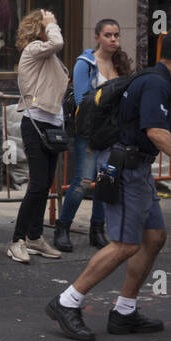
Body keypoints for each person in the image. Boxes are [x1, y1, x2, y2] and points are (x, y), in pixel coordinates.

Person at [46, 28, 171, 341]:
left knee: (154, 236)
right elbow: (156, 133)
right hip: (126, 168)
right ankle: (67, 301)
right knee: (125, 243)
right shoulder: (154, 83)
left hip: (139, 169)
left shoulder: (164, 84)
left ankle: (124, 310)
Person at [57, 20, 132, 248]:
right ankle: (63, 227)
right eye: (108, 35)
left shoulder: (121, 63)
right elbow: (82, 102)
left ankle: (97, 229)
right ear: (97, 37)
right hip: (89, 132)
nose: (113, 40)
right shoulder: (86, 63)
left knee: (105, 179)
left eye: (116, 35)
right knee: (83, 181)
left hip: (113, 133)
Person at [7, 10, 68, 263]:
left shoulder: (45, 55)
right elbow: (57, 42)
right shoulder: (34, 48)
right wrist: (51, 23)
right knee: (38, 185)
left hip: (52, 124)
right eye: (48, 25)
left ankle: (35, 237)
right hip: (36, 124)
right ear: (39, 28)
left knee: (44, 186)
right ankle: (16, 240)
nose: (55, 27)